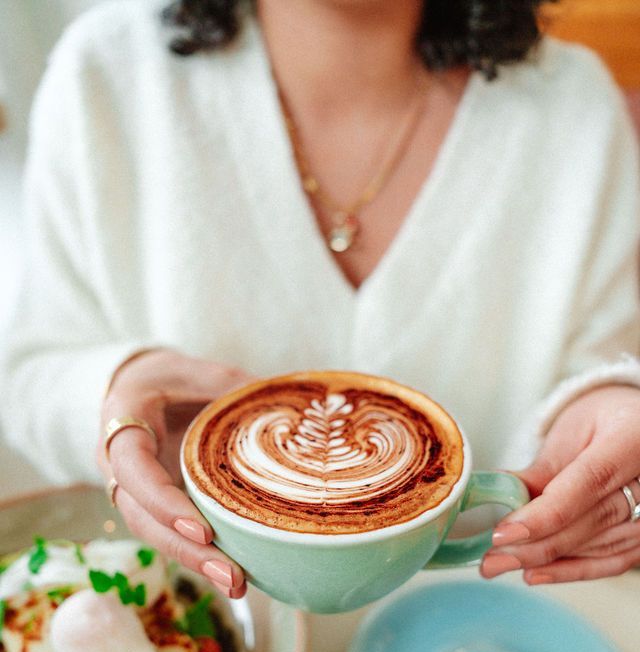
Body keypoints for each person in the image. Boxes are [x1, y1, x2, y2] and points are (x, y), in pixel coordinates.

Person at [1, 0, 640, 601]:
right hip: (209, 640)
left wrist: (610, 415)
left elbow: (598, 368)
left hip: (478, 638)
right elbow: (30, 371)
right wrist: (117, 390)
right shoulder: (105, 76)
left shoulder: (577, 113)